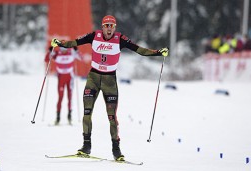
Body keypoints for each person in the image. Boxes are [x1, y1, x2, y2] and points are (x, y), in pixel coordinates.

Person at [50, 15, 169, 161]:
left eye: (111, 26)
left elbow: (139, 50)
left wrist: (158, 52)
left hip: (109, 81)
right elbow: (75, 42)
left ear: (115, 27)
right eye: (106, 25)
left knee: (112, 117)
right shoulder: (94, 35)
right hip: (93, 78)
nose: (109, 28)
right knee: (87, 112)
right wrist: (60, 44)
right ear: (102, 27)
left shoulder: (120, 39)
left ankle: (116, 150)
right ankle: (86, 146)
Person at [45, 46, 80, 125]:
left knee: (69, 97)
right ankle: (58, 117)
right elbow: (46, 60)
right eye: (62, 49)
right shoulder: (57, 54)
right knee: (60, 97)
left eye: (65, 49)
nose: (63, 51)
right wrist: (50, 51)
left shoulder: (71, 53)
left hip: (70, 78)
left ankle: (69, 116)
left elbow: (81, 58)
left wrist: (76, 50)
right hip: (61, 78)